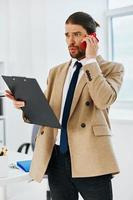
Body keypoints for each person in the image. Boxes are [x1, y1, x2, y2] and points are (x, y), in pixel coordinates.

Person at [6, 11, 124, 200]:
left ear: (92, 37)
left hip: (91, 157)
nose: (70, 40)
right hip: (57, 159)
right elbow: (47, 113)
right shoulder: (56, 72)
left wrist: (90, 62)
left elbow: (103, 99)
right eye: (67, 35)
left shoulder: (112, 69)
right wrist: (25, 105)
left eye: (77, 34)